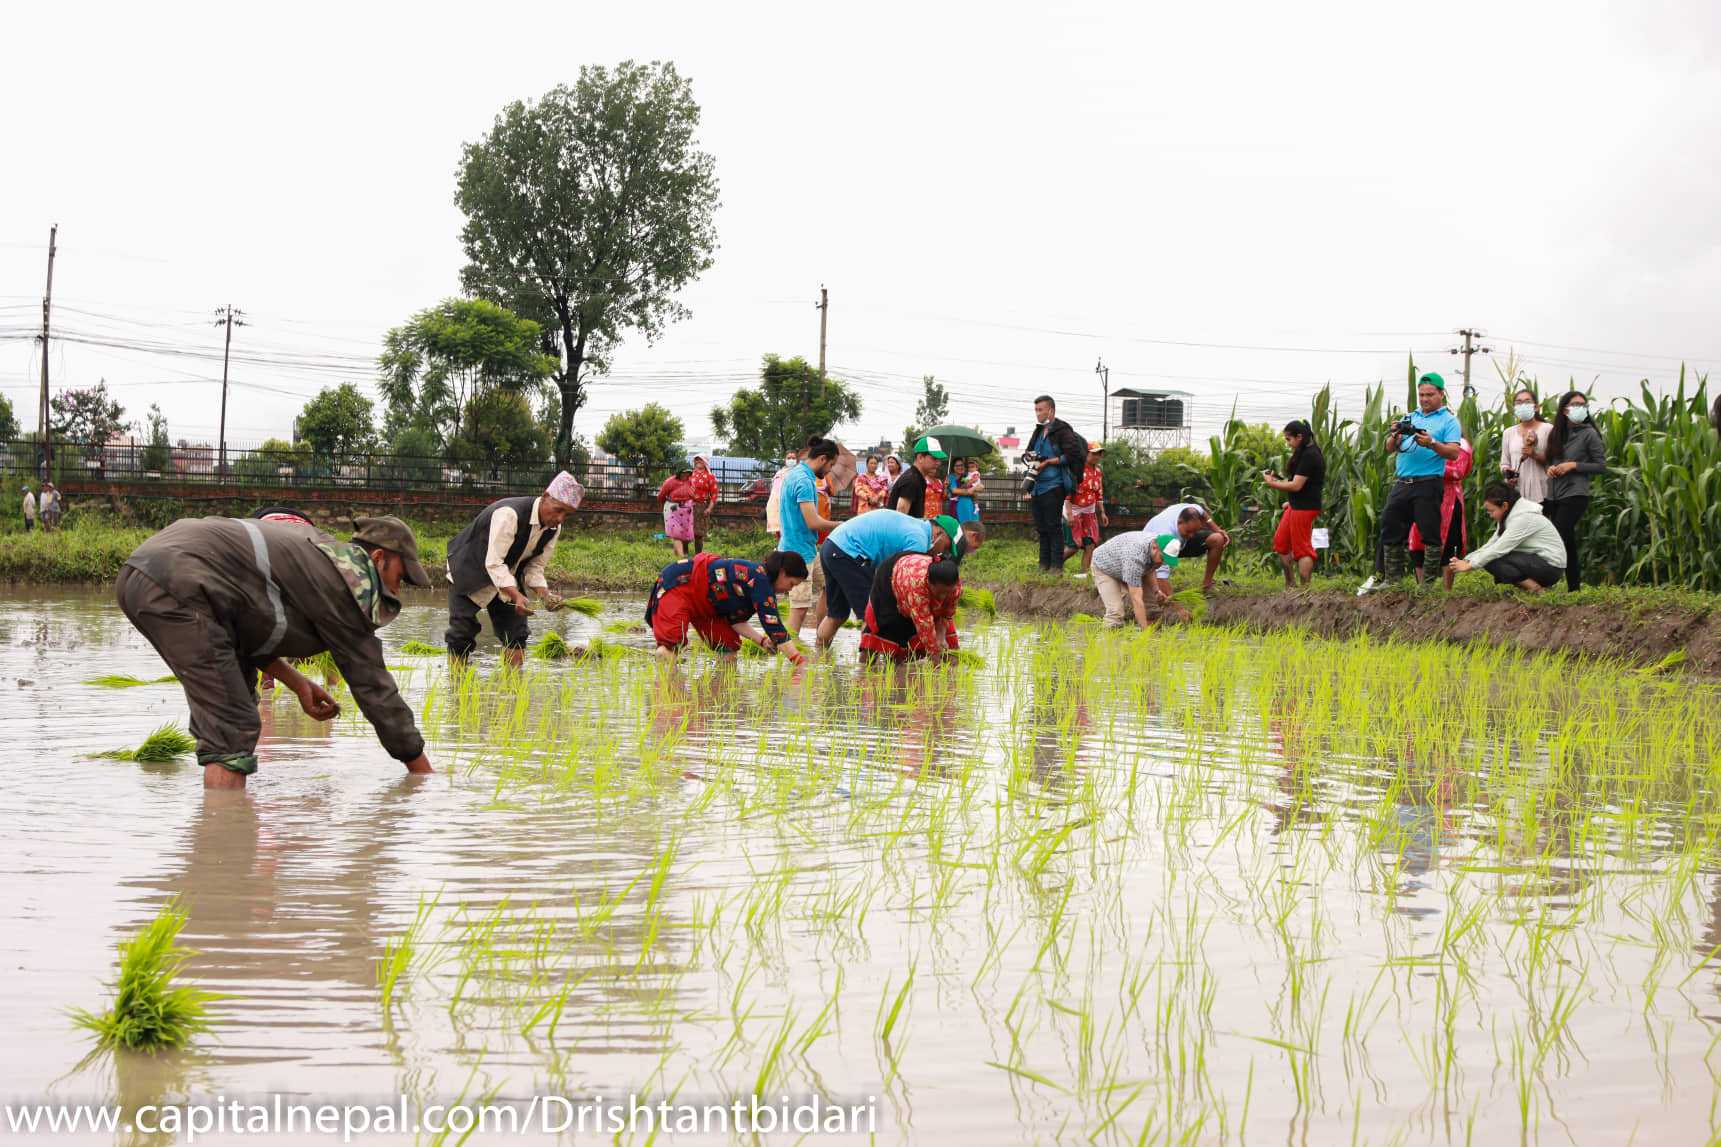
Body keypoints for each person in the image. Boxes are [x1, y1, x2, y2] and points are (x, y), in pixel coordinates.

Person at [116, 514, 434, 788]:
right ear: (378, 558)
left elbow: (246, 630)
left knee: (238, 696)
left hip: (148, 574)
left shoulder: (319, 557)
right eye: (399, 578)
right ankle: (222, 841)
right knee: (233, 724)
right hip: (178, 580)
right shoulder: (346, 584)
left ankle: (224, 820)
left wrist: (297, 683)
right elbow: (374, 687)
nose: (396, 590)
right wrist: (422, 774)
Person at [445, 471, 583, 667]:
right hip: (469, 569)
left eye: (567, 514)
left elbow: (535, 567)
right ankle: (456, 687)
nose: (560, 518)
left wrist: (545, 595)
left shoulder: (553, 529)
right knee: (461, 634)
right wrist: (516, 595)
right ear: (545, 497)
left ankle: (513, 690)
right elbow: (493, 563)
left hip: (507, 575)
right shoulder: (509, 514)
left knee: (516, 635)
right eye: (558, 509)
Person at [1359, 372, 1463, 593]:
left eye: (1430, 395)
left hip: (1428, 482)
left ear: (1441, 394)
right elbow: (1389, 447)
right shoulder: (1410, 417)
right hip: (1402, 481)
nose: (1425, 399)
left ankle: (1427, 585)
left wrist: (1432, 442)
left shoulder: (1449, 420)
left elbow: (1454, 453)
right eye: (1422, 395)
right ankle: (1392, 579)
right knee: (1389, 523)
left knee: (1429, 532)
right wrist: (1396, 435)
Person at [816, 511, 973, 648]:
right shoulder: (918, 540)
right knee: (872, 614)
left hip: (833, 546)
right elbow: (905, 582)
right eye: (946, 547)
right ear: (940, 533)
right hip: (849, 552)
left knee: (837, 614)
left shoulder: (916, 526)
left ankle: (819, 658)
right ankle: (867, 668)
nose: (942, 553)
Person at [646, 550, 809, 664]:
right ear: (782, 572)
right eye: (792, 583)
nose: (790, 589)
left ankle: (718, 703)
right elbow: (774, 627)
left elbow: (736, 620)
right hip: (679, 584)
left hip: (708, 605)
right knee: (670, 647)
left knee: (728, 647)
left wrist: (762, 641)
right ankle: (666, 703)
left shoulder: (756, 581)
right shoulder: (761, 581)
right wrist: (798, 661)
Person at [777, 437, 843, 636]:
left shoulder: (796, 473)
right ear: (823, 459)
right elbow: (812, 522)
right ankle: (789, 652)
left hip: (808, 549)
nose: (830, 470)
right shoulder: (804, 481)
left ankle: (821, 635)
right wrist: (839, 525)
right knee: (800, 607)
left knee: (830, 585)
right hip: (797, 552)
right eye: (831, 464)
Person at [1542, 390, 1606, 591]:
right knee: (1567, 541)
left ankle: (1543, 581)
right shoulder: (1557, 434)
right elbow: (1551, 461)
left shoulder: (1589, 434)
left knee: (1557, 535)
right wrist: (1551, 468)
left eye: (1583, 405)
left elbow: (1601, 466)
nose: (1580, 409)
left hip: (1576, 494)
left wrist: (1574, 466)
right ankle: (1574, 588)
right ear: (1564, 410)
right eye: (1575, 405)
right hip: (1554, 494)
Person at [1448, 484, 1567, 592]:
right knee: (1489, 557)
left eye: (1491, 511)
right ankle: (1531, 587)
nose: (1490, 515)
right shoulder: (1508, 516)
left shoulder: (1523, 519)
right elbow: (1492, 544)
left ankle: (1536, 589)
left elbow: (1499, 549)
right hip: (1539, 561)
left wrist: (1470, 566)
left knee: (1492, 558)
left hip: (1551, 567)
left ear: (1504, 505)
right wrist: (1467, 560)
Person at [1023, 395, 1088, 572]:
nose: (1037, 413)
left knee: (1053, 525)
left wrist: (1049, 462)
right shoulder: (1038, 431)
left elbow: (1073, 455)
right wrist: (1029, 457)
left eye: (1040, 410)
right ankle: (1043, 565)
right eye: (1035, 410)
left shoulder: (1063, 430)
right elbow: (1028, 452)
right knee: (1041, 527)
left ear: (1050, 410)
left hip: (1054, 484)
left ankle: (1056, 567)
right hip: (1037, 486)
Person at [859, 553, 961, 664]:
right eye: (940, 592)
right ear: (929, 583)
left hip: (912, 571)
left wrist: (941, 635)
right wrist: (937, 666)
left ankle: (898, 668)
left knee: (946, 646)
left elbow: (947, 614)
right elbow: (924, 626)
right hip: (891, 577)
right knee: (886, 628)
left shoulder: (955, 588)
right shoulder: (918, 587)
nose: (943, 597)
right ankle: (864, 669)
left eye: (947, 592)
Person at [1263, 420, 1324, 588]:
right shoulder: (1303, 451)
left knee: (1302, 549)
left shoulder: (1311, 455)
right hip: (1296, 506)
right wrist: (1289, 501)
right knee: (1281, 543)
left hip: (1305, 508)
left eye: (1289, 439)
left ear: (1300, 436)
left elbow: (1296, 486)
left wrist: (1271, 483)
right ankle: (1291, 585)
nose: (1288, 443)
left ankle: (1305, 591)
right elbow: (1298, 483)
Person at [1408, 435, 1474, 591]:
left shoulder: (1461, 444)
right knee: (1417, 545)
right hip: (1422, 498)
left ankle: (1447, 591)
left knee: (1449, 547)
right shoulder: (1424, 441)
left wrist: (1429, 467)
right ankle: (1423, 589)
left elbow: (1458, 472)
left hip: (1448, 501)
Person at [1089, 529, 1176, 628]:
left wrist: (1156, 591)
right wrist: (1145, 633)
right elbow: (1136, 598)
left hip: (1123, 562)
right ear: (1155, 547)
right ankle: (1108, 638)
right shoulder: (1135, 558)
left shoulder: (1156, 548)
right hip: (1104, 566)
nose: (1163, 562)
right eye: (1163, 558)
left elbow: (1150, 569)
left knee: (1152, 608)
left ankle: (1152, 628)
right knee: (1115, 612)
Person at [1139, 502, 1230, 594]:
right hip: (1151, 549)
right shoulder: (1164, 535)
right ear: (1180, 522)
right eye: (1188, 531)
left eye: (1195, 531)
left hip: (1180, 542)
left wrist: (1217, 529)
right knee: (1154, 580)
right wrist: (1176, 604)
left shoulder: (1193, 510)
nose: (1191, 535)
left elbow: (1203, 514)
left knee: (1217, 539)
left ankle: (1206, 585)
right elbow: (1161, 575)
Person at [1499, 387, 1550, 502]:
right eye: (1519, 403)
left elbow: (1555, 461)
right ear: (1514, 408)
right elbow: (1504, 463)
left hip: (1543, 493)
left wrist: (1534, 454)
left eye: (1527, 402)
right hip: (1517, 493)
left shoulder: (1548, 429)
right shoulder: (1508, 433)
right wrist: (1508, 474)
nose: (1523, 405)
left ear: (1536, 407)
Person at [1066, 441, 1108, 575]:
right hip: (1074, 509)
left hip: (1089, 512)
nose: (1097, 456)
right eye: (1094, 453)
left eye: (1099, 454)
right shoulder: (1077, 469)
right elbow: (1068, 493)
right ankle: (1054, 566)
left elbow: (1099, 494)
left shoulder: (1098, 472)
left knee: (1090, 545)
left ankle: (1084, 574)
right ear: (1086, 453)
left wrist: (1102, 513)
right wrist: (1070, 514)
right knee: (1074, 546)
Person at [888, 438, 944, 517]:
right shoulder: (911, 480)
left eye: (939, 459)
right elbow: (900, 517)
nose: (938, 463)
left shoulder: (918, 478)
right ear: (920, 457)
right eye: (934, 458)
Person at [657, 463, 697, 559]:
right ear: (679, 473)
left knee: (684, 534)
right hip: (673, 509)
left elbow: (695, 494)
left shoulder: (691, 481)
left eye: (688, 473)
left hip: (686, 510)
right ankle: (682, 557)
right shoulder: (670, 482)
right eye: (684, 473)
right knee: (676, 534)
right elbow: (661, 496)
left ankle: (677, 557)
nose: (686, 475)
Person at [764, 449, 800, 543]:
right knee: (780, 532)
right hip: (777, 505)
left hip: (792, 505)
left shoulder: (799, 473)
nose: (791, 460)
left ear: (797, 460)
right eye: (789, 458)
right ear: (785, 460)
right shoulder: (780, 473)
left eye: (793, 458)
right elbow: (775, 491)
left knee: (792, 532)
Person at [689, 455, 720, 554]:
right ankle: (684, 553)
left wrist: (709, 508)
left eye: (701, 459)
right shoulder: (690, 475)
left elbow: (714, 494)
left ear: (705, 461)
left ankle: (698, 556)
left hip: (702, 506)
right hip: (689, 506)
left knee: (698, 534)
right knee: (687, 531)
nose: (698, 461)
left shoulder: (710, 476)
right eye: (696, 459)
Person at [950, 457, 984, 524]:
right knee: (962, 528)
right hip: (958, 506)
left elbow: (981, 487)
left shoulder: (966, 476)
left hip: (971, 505)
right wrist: (970, 491)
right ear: (953, 467)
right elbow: (954, 491)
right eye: (957, 465)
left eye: (961, 465)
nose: (960, 467)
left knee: (973, 528)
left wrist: (973, 489)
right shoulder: (951, 477)